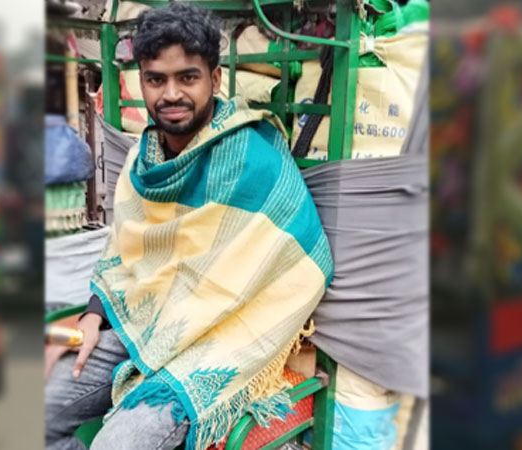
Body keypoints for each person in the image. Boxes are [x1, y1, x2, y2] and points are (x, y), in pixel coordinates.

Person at [44, 3, 333, 450]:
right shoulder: (142, 162)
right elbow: (125, 251)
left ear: (214, 80)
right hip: (139, 323)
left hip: (214, 343)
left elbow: (307, 259)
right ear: (142, 80)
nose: (171, 94)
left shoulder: (254, 160)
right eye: (156, 79)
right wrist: (94, 314)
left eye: (187, 78)